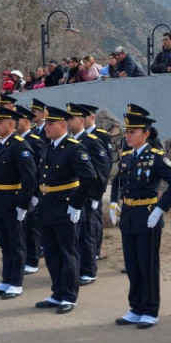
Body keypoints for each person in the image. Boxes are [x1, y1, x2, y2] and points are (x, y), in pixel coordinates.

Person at [109, 109, 171, 328]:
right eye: (126, 132)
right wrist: (114, 202)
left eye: (133, 131)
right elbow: (118, 182)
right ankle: (135, 308)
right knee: (132, 265)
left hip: (147, 214)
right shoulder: (127, 157)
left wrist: (159, 209)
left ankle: (150, 310)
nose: (128, 136)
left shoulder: (156, 157)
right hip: (129, 215)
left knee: (147, 265)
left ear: (146, 133)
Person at [34, 105, 97, 314]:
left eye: (50, 124)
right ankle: (57, 292)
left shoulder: (74, 148)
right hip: (47, 206)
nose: (46, 127)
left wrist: (76, 204)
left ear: (63, 125)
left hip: (65, 207)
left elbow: (89, 177)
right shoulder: (47, 147)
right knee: (52, 253)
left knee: (68, 252)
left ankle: (69, 295)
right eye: (46, 124)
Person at [0, 105, 38, 300]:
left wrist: (24, 205)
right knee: (5, 244)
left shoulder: (20, 145)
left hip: (13, 201)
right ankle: (5, 280)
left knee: (16, 243)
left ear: (10, 124)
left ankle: (16, 282)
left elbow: (29, 178)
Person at [66, 103, 109, 285]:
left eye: (72, 118)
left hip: (89, 196)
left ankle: (89, 270)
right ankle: (79, 267)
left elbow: (102, 171)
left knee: (86, 233)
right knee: (76, 234)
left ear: (82, 120)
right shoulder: (71, 142)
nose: (68, 121)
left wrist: (96, 196)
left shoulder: (91, 141)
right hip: (76, 195)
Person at [15, 104, 46, 274]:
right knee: (20, 228)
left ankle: (32, 261)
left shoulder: (35, 142)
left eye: (17, 120)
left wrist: (35, 193)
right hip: (17, 190)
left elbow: (39, 170)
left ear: (26, 121)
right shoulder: (15, 141)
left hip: (31, 191)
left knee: (31, 228)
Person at [82, 104, 114, 263]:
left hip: (95, 184)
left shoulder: (101, 135)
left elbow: (106, 163)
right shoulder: (77, 137)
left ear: (92, 117)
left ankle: (95, 250)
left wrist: (100, 187)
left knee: (94, 220)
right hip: (82, 186)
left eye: (84, 117)